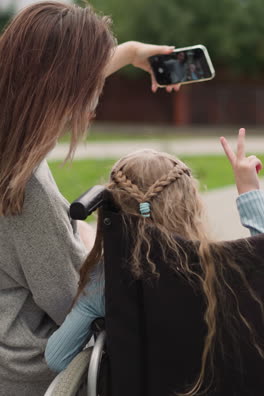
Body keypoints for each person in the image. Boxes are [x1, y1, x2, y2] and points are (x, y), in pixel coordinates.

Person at [0, 0, 180, 396]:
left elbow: (47, 70)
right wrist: (88, 240)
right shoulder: (25, 190)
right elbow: (75, 302)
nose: (97, 95)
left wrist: (130, 53)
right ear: (69, 90)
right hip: (28, 369)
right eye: (93, 85)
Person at [45, 148, 264, 396]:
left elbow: (57, 357)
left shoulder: (108, 280)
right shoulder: (222, 270)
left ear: (113, 209)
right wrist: (249, 191)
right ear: (190, 206)